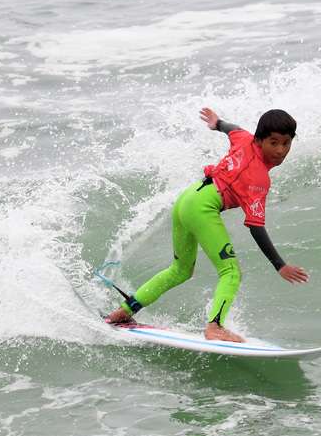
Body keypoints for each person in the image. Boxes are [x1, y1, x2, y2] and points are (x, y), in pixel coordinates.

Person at [104, 107, 309, 342]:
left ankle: (123, 312)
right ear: (259, 140)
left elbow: (232, 129)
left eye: (286, 143)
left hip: (186, 200)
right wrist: (279, 265)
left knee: (180, 270)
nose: (280, 150)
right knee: (231, 272)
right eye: (273, 143)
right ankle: (215, 327)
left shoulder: (244, 138)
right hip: (203, 208)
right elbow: (255, 227)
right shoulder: (259, 179)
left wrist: (217, 123)